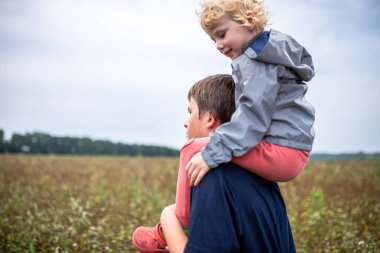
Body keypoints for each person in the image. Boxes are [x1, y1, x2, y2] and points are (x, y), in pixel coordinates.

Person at [132, 74, 297, 252]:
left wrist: (168, 216)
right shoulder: (265, 176)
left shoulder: (212, 173)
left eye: (190, 112)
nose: (185, 123)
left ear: (210, 119)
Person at [185, 0, 315, 189]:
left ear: (249, 20)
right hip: (291, 148)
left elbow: (253, 113)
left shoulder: (258, 62)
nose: (219, 45)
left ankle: (181, 214)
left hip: (282, 150)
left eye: (222, 35)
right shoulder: (267, 55)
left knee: (196, 148)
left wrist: (210, 155)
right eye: (214, 40)